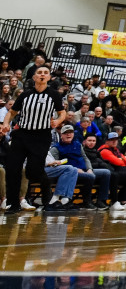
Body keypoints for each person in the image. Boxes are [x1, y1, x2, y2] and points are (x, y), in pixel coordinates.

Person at [2, 64, 65, 212]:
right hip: (22, 135)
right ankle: (14, 204)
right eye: (39, 72)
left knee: (33, 171)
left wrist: (57, 121)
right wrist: (6, 123)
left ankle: (46, 195)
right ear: (34, 77)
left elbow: (62, 113)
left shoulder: (54, 95)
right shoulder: (25, 95)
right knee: (13, 169)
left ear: (49, 77)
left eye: (45, 72)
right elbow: (11, 112)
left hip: (41, 136)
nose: (42, 75)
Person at [48, 124, 105, 209]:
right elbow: (54, 165)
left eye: (70, 132)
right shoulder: (56, 148)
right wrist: (75, 169)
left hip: (84, 169)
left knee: (106, 173)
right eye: (66, 133)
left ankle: (102, 200)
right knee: (89, 176)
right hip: (70, 172)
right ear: (61, 135)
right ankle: (86, 201)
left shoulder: (78, 145)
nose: (68, 134)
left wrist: (89, 168)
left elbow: (85, 158)